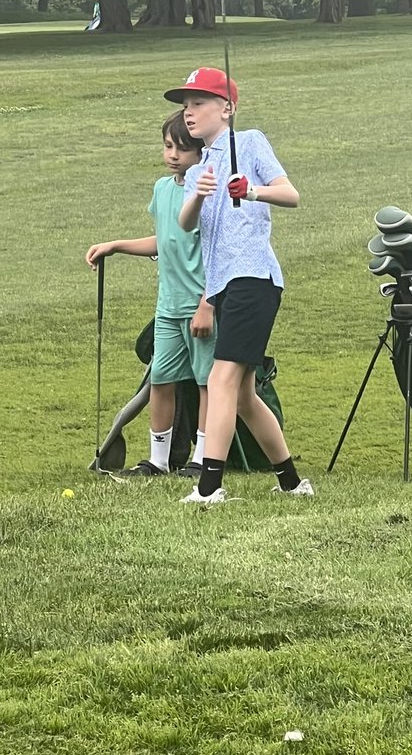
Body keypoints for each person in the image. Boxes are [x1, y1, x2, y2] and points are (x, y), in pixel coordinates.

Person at [165, 66, 312, 505]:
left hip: (254, 276)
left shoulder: (250, 142)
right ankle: (291, 482)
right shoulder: (198, 168)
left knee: (222, 376)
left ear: (226, 109)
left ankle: (209, 486)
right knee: (245, 394)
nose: (189, 113)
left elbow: (291, 194)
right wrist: (199, 194)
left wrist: (250, 191)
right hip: (223, 284)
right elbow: (186, 224)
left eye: (199, 103)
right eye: (186, 106)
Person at [85, 110, 214, 477]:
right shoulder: (161, 189)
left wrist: (208, 302)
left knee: (206, 383)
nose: (174, 154)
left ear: (201, 152)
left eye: (184, 149)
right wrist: (116, 245)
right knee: (161, 380)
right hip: (169, 306)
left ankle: (202, 459)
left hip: (200, 305)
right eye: (168, 146)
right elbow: (165, 240)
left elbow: (218, 251)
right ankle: (158, 460)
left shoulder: (206, 193)